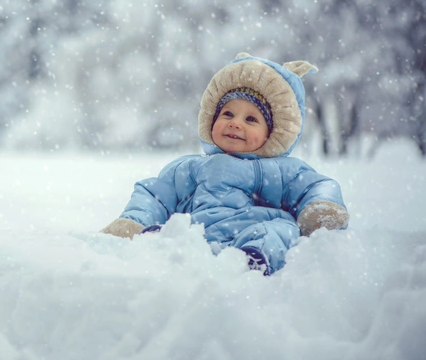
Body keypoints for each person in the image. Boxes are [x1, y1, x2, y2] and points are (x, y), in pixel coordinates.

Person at [100, 52, 349, 275]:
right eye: (227, 114)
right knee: (165, 228)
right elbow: (154, 195)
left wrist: (320, 208)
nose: (235, 123)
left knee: (283, 228)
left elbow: (315, 186)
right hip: (194, 236)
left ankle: (253, 261)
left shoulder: (282, 170)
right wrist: (135, 221)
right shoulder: (191, 167)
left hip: (251, 233)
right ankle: (156, 247)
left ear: (272, 133)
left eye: (251, 119)